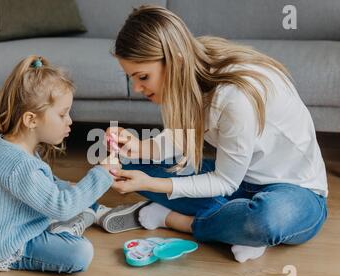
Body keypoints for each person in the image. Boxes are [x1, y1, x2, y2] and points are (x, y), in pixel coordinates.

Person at [102, 5, 328, 263]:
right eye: (132, 78)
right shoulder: (192, 72)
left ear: (175, 60)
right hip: (238, 180)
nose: (138, 87)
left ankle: (178, 220)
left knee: (266, 220)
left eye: (143, 76)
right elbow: (184, 137)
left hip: (296, 193)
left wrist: (150, 184)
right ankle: (233, 227)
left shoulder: (235, 98)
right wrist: (138, 147)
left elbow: (224, 182)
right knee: (126, 164)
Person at [0, 55, 127, 273]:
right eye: (63, 114)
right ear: (31, 120)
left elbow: (46, 183)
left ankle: (90, 212)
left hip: (18, 222)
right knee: (80, 253)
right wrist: (102, 174)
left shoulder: (12, 146)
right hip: (10, 245)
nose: (70, 121)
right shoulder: (18, 165)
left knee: (69, 190)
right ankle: (71, 225)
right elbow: (61, 206)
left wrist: (72, 187)